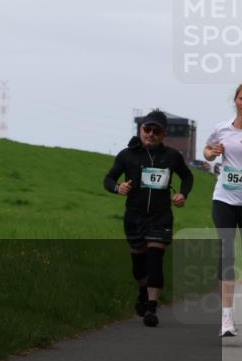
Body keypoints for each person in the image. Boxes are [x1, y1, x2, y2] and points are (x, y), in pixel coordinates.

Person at [103, 110, 193, 327]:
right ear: (140, 130)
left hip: (161, 216)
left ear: (163, 134)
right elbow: (108, 178)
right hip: (134, 216)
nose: (150, 134)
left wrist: (182, 194)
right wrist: (118, 187)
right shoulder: (127, 155)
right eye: (147, 129)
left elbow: (187, 176)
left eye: (156, 131)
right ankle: (143, 291)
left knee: (155, 260)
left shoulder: (172, 156)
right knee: (139, 266)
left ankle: (152, 309)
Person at [202, 83, 242, 338]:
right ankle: (226, 317)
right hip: (225, 198)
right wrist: (213, 152)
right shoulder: (222, 129)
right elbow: (206, 152)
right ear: (236, 100)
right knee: (226, 252)